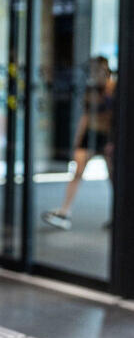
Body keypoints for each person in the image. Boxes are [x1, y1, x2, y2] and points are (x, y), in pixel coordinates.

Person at [42, 56, 115, 230]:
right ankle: (64, 212)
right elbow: (85, 115)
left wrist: (114, 140)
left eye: (98, 69)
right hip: (91, 133)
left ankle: (118, 214)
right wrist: (77, 138)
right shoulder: (91, 89)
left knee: (113, 177)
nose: (95, 73)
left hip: (107, 135)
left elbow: (117, 115)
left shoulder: (114, 88)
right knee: (77, 172)